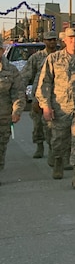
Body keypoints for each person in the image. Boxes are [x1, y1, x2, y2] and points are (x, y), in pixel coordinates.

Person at [35, 28, 75, 189]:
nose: (74, 41)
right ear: (64, 40)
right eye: (70, 38)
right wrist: (45, 106)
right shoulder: (53, 59)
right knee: (58, 140)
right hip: (59, 108)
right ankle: (58, 161)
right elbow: (44, 83)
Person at [19, 30, 58, 160]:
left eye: (54, 39)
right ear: (44, 41)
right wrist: (22, 92)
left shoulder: (60, 56)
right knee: (38, 123)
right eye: (49, 40)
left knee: (55, 125)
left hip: (57, 95)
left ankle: (53, 149)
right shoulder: (36, 57)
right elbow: (25, 75)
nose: (52, 42)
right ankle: (39, 146)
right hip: (39, 94)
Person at [0, 45, 25, 184]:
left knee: (1, 147)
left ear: (2, 51)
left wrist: (17, 111)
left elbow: (18, 92)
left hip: (4, 116)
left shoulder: (11, 70)